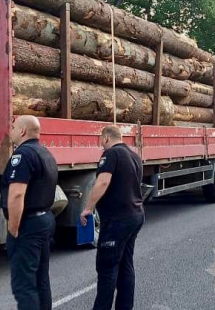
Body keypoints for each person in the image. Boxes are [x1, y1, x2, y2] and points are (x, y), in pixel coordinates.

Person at [80, 125, 145, 310]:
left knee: (107, 268)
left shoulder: (110, 154)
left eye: (101, 139)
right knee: (125, 265)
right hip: (135, 215)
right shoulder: (134, 156)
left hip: (117, 220)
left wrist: (88, 208)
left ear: (107, 138)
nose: (100, 143)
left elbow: (103, 181)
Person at [1, 115, 57, 310]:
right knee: (41, 279)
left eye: (14, 127)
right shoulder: (45, 153)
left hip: (28, 225)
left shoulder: (23, 155)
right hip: (45, 221)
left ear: (23, 131)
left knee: (25, 285)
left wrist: (13, 228)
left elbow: (16, 195)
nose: (12, 131)